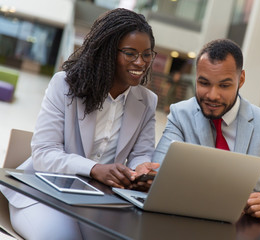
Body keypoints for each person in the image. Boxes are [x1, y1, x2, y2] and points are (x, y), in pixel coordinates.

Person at [1, 8, 159, 239]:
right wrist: (94, 169)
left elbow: (141, 154)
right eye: (130, 53)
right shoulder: (64, 86)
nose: (141, 62)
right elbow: (44, 153)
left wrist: (141, 169)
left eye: (147, 54)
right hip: (42, 193)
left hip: (97, 202)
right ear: (107, 52)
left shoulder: (146, 101)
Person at [152, 39, 260, 228]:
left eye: (224, 86)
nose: (213, 95)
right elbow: (157, 176)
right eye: (204, 83)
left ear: (241, 80)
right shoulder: (181, 114)